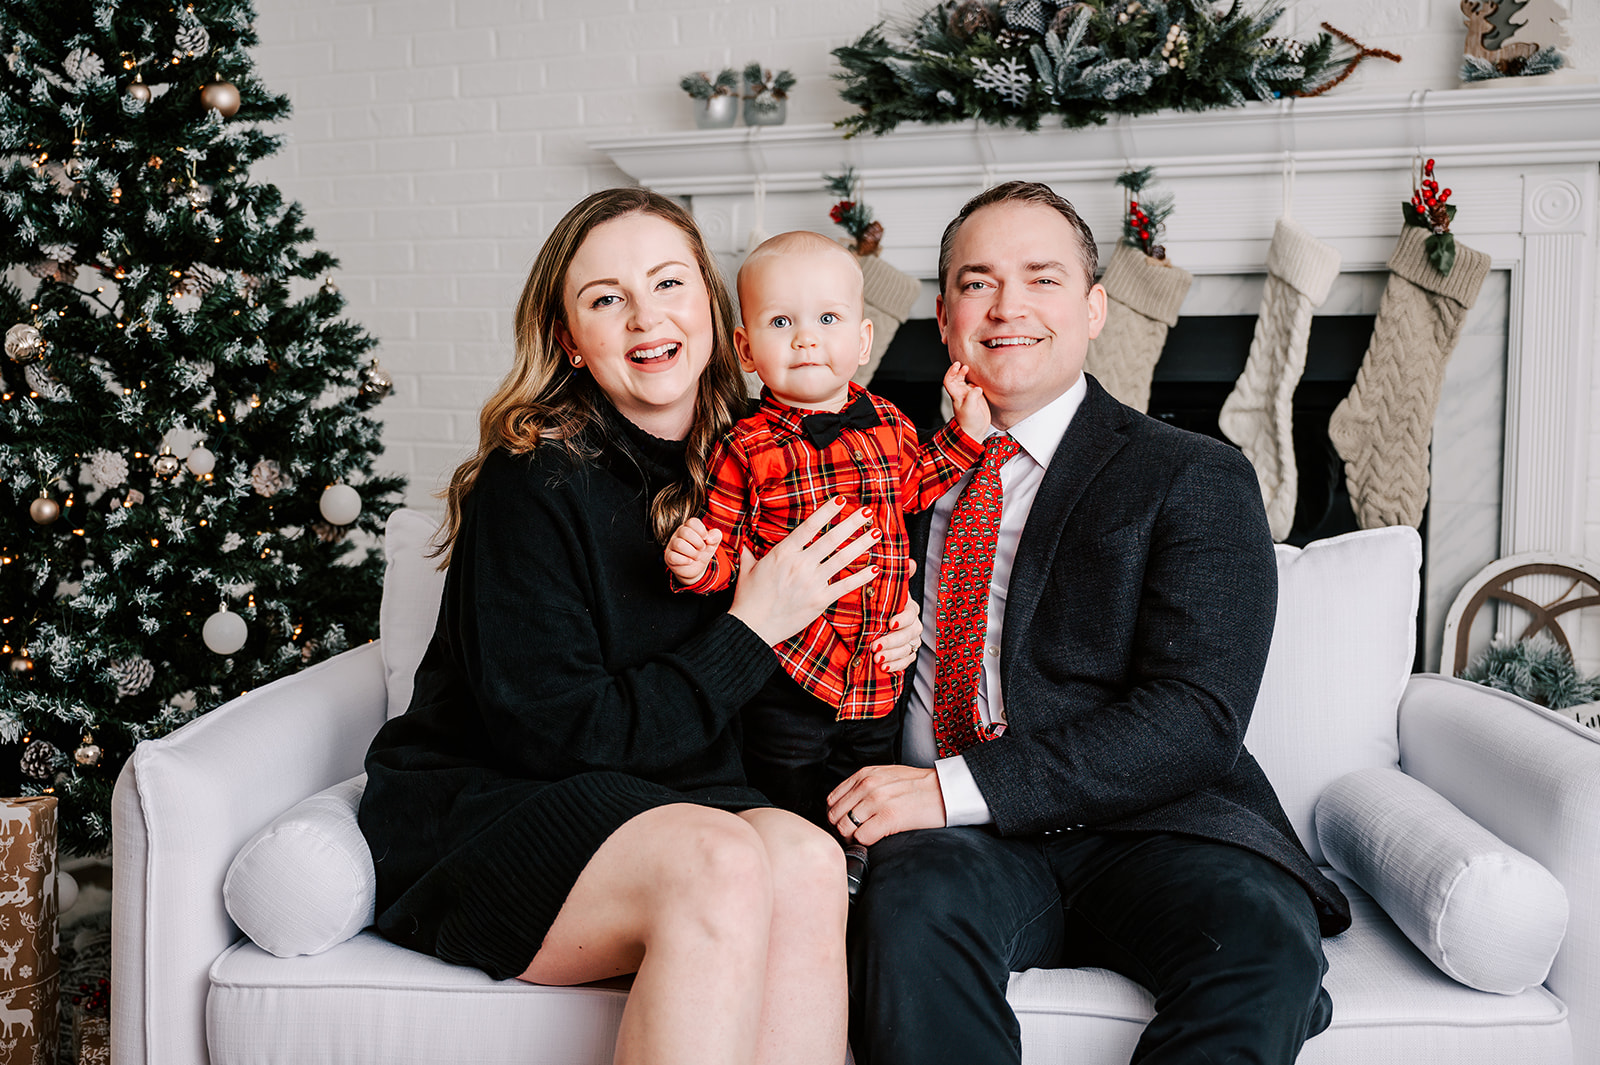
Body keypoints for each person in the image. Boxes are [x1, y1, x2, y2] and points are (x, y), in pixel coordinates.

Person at [356, 187, 924, 1065]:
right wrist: (753, 625)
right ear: (567, 339)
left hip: (675, 797)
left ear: (713, 309)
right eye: (605, 298)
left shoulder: (758, 456)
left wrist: (883, 621)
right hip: (498, 803)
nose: (645, 318)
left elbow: (813, 648)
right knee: (721, 862)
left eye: (667, 284)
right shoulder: (532, 481)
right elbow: (550, 732)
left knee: (807, 860)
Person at [827, 181, 1353, 1065]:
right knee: (905, 915)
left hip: (1157, 824)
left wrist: (954, 786)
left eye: (1042, 279)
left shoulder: (1192, 474)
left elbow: (1197, 717)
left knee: (1263, 942)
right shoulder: (880, 471)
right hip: (955, 847)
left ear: (1096, 307)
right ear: (947, 317)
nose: (1008, 308)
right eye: (976, 282)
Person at [665, 230, 989, 845]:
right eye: (781, 321)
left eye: (828, 318)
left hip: (878, 673)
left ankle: (857, 887)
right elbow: (728, 554)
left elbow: (917, 486)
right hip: (790, 674)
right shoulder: (744, 447)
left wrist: (966, 436)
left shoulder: (891, 423)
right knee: (787, 810)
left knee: (864, 808)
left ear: (862, 341)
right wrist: (695, 563)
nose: (806, 337)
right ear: (745, 349)